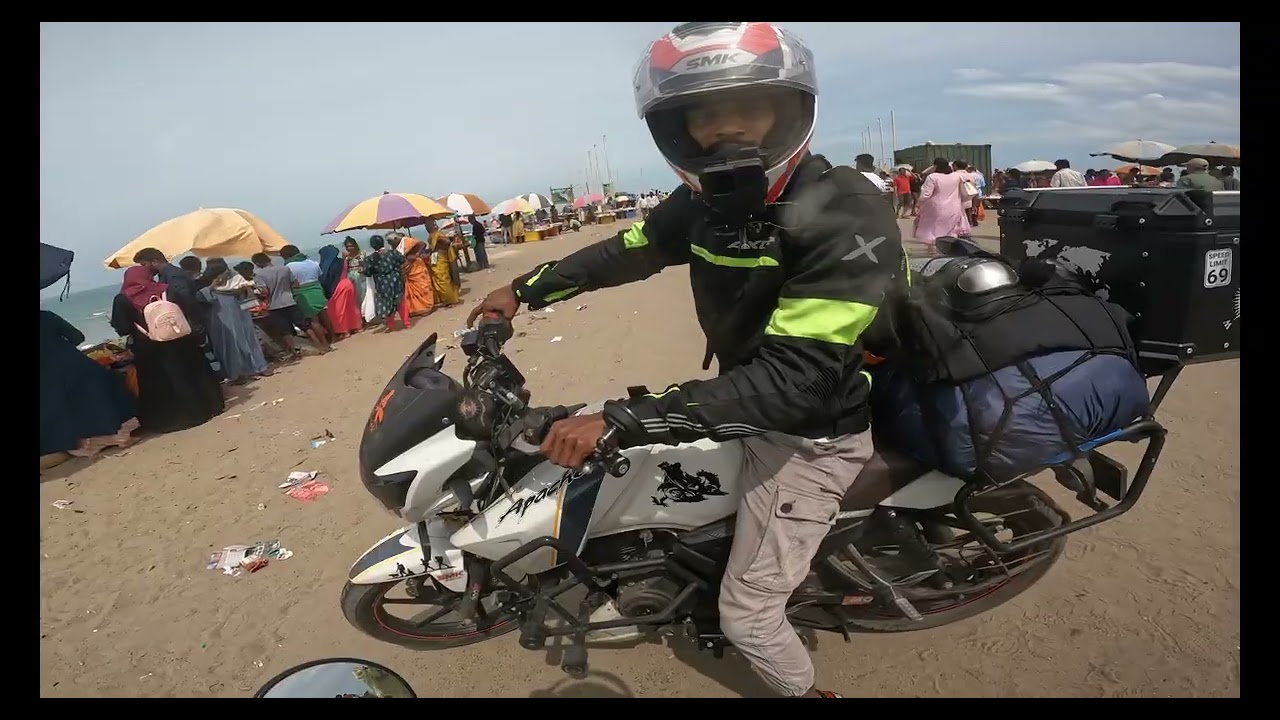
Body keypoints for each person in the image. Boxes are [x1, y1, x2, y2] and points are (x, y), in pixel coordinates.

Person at [466, 21, 902, 699]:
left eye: (748, 110)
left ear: (789, 110)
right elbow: (627, 250)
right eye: (705, 116)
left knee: (748, 615)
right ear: (677, 129)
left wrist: (620, 418)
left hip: (810, 434)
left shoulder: (845, 213)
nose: (729, 134)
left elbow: (799, 384)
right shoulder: (700, 203)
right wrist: (522, 290)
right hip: (746, 401)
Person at [111, 265, 225, 433]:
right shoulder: (167, 290)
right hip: (181, 339)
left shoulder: (123, 299)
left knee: (165, 382)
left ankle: (180, 417)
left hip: (150, 347)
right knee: (193, 373)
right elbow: (186, 309)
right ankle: (210, 406)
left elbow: (123, 327)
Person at [40, 309, 139, 458]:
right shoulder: (46, 316)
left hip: (46, 376)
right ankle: (120, 436)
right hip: (73, 363)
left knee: (61, 407)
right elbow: (77, 337)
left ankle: (91, 443)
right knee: (102, 388)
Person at [202, 258, 272, 383]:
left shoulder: (230, 278)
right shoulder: (210, 282)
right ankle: (244, 371)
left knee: (242, 341)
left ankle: (252, 369)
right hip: (229, 316)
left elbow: (246, 290)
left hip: (232, 314)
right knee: (236, 342)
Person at [252, 252, 331, 356]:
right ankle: (321, 347)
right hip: (290, 301)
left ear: (257, 263)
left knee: (285, 331)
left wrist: (256, 292)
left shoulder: (259, 275)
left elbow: (265, 292)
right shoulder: (284, 269)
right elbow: (296, 284)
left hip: (275, 306)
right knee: (305, 326)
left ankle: (294, 353)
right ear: (269, 259)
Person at [280, 245, 334, 346]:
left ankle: (324, 343)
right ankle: (333, 337)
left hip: (303, 293)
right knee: (324, 315)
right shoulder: (312, 262)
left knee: (314, 320)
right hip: (317, 289)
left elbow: (289, 283)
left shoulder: (288, 267)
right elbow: (319, 275)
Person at [913, 157, 971, 248]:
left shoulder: (932, 177)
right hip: (954, 207)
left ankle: (932, 251)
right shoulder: (956, 176)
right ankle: (947, 249)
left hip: (935, 208)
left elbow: (926, 194)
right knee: (950, 230)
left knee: (932, 230)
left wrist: (918, 205)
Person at [362, 235, 411, 331]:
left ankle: (391, 326)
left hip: (382, 283)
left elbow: (367, 272)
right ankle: (406, 323)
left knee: (386, 303)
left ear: (372, 246)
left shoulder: (370, 259)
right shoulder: (393, 252)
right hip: (396, 279)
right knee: (400, 301)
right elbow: (403, 261)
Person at [318, 244, 364, 339]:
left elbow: (326, 280)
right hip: (348, 284)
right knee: (351, 307)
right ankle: (357, 327)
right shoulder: (340, 261)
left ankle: (344, 331)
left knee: (338, 309)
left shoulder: (324, 266)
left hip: (338, 287)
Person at [394, 231, 437, 316]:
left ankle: (426, 307)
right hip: (409, 270)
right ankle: (416, 309)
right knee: (412, 290)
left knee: (423, 286)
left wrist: (417, 254)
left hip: (417, 267)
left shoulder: (408, 241)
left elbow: (423, 244)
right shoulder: (397, 247)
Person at [428, 220, 462, 307]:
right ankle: (446, 300)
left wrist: (437, 248)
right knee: (438, 279)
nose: (426, 228)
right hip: (436, 259)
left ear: (433, 226)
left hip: (441, 258)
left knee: (443, 279)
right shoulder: (431, 236)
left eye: (428, 225)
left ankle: (452, 300)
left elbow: (447, 242)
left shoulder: (438, 235)